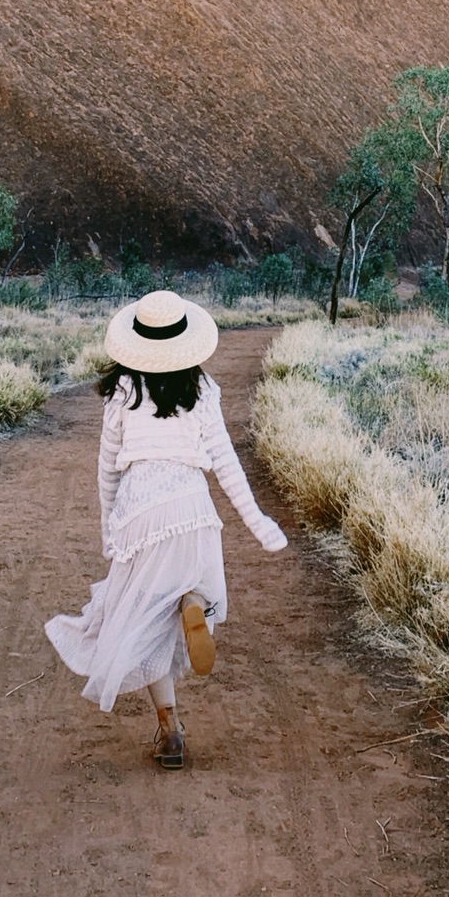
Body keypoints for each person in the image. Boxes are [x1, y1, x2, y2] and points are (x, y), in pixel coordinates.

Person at [44, 288, 287, 768]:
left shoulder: (122, 392)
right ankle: (192, 602)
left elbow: (107, 470)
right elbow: (227, 464)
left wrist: (108, 527)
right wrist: (258, 522)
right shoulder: (202, 391)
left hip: (142, 510)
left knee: (141, 621)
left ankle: (170, 731)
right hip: (192, 505)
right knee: (180, 596)